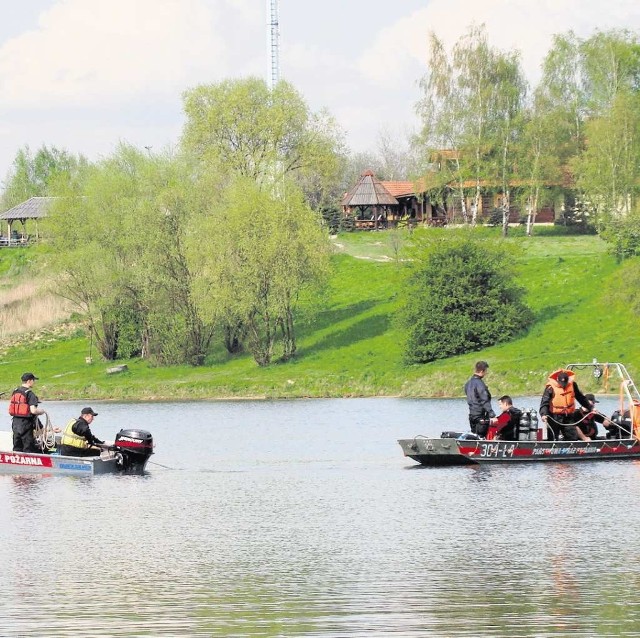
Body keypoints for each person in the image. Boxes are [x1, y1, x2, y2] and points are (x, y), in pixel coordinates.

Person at [539, 369, 592, 441]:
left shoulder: (573, 385)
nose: (563, 385)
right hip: (554, 417)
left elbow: (580, 397)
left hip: (568, 416)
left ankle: (570, 449)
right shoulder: (550, 387)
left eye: (565, 383)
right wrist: (543, 414)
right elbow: (544, 402)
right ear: (557, 380)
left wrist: (590, 408)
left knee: (572, 437)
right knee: (553, 438)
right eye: (561, 383)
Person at [9, 372, 45, 453]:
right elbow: (33, 410)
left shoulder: (15, 391)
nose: (34, 382)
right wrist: (41, 411)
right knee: (28, 447)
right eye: (33, 380)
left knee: (17, 446)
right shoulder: (30, 394)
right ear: (29, 381)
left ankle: (16, 462)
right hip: (26, 423)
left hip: (15, 422)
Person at [464, 361, 495, 437]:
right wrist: (492, 414)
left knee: (474, 437)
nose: (486, 373)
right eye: (486, 371)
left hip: (472, 415)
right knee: (481, 438)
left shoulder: (468, 383)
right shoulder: (479, 384)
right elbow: (484, 399)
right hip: (480, 416)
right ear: (482, 371)